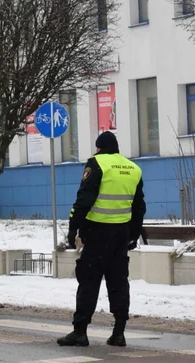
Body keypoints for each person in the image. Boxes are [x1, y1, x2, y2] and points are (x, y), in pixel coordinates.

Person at [58, 131, 145, 348]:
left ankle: (80, 332)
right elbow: (139, 207)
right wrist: (133, 235)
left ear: (99, 147)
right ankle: (119, 332)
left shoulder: (96, 164)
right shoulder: (133, 168)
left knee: (88, 281)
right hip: (121, 235)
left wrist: (73, 227)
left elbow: (84, 198)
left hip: (98, 233)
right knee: (118, 282)